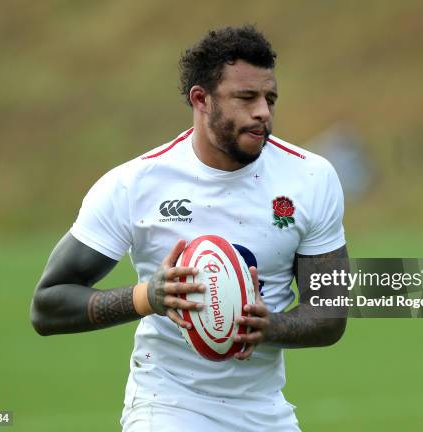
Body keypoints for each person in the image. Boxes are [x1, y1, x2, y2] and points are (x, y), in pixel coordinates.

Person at [31, 25, 348, 431]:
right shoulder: (135, 185)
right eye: (246, 98)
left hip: (264, 411)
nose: (263, 112)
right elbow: (48, 305)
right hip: (166, 405)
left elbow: (331, 313)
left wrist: (269, 325)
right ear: (201, 99)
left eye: (270, 99)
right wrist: (148, 297)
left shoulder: (311, 178)